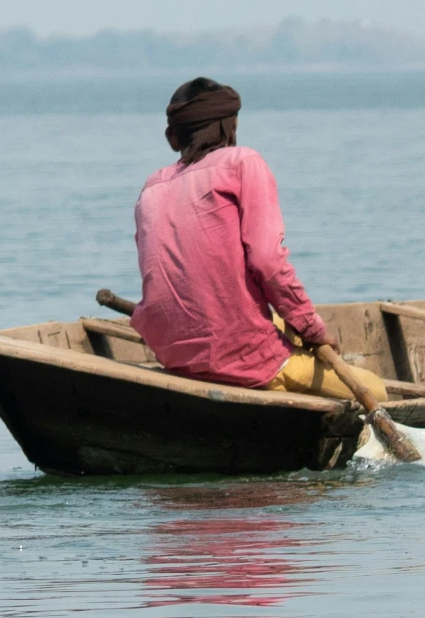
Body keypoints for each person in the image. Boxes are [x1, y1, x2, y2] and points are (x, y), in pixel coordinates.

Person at [130, 77, 385, 401]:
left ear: (175, 135)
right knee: (378, 390)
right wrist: (312, 330)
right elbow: (267, 262)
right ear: (228, 128)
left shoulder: (151, 187)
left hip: (173, 355)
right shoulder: (241, 164)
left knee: (278, 318)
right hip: (244, 358)